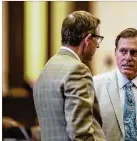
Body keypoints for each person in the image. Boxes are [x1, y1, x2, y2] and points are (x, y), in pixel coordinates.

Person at [33, 11, 106, 141]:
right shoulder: (78, 70)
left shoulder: (47, 68)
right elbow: (80, 134)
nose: (98, 45)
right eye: (97, 39)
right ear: (88, 40)